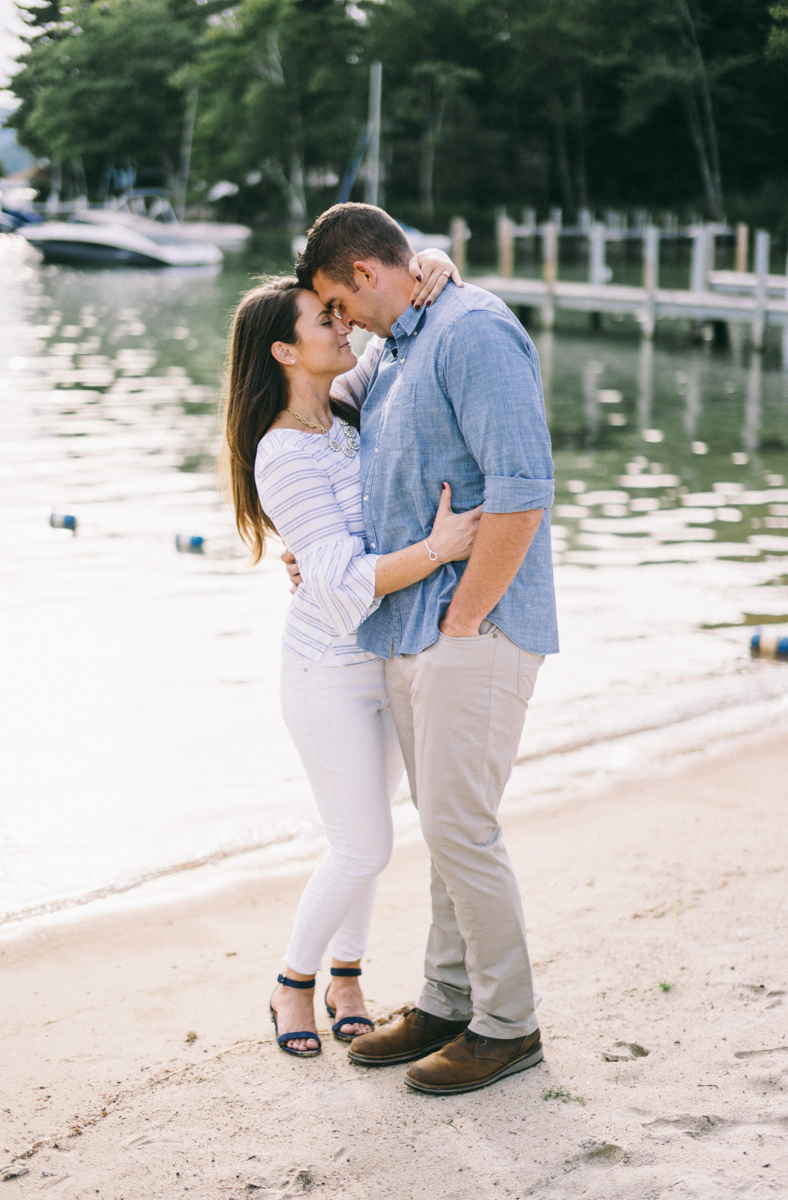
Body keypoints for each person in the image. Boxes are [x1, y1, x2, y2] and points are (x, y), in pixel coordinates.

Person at [293, 202, 558, 1095]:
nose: (337, 320)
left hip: (472, 625)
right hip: (409, 625)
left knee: (460, 830)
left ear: (365, 274)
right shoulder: (401, 344)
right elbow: (321, 412)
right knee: (446, 829)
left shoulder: (473, 331)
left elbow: (522, 492)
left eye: (337, 302)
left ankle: (508, 1023)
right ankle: (448, 1001)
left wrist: (461, 620)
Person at [221, 250, 478, 1058]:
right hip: (327, 670)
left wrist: (434, 261)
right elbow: (333, 587)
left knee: (369, 839)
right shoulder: (281, 453)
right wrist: (438, 550)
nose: (342, 322)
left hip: (385, 656)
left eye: (337, 311)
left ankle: (348, 976)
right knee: (361, 843)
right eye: (322, 318)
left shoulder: (343, 403)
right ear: (283, 351)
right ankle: (292, 983)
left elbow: (393, 314)